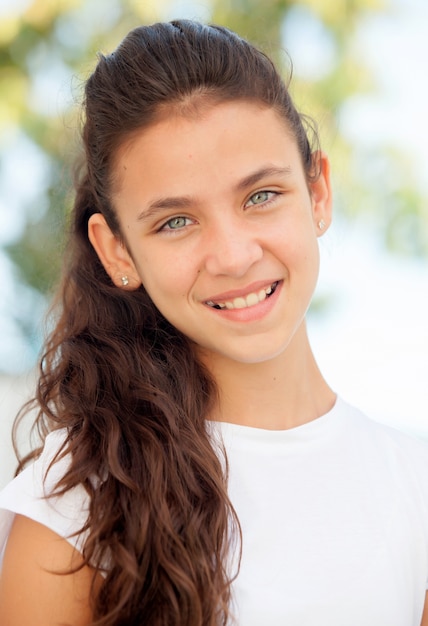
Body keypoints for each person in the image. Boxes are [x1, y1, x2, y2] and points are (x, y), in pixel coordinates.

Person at [0, 19, 427, 626]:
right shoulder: (77, 504)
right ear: (117, 251)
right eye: (175, 221)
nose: (233, 255)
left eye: (261, 196)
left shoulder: (414, 487)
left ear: (319, 191)